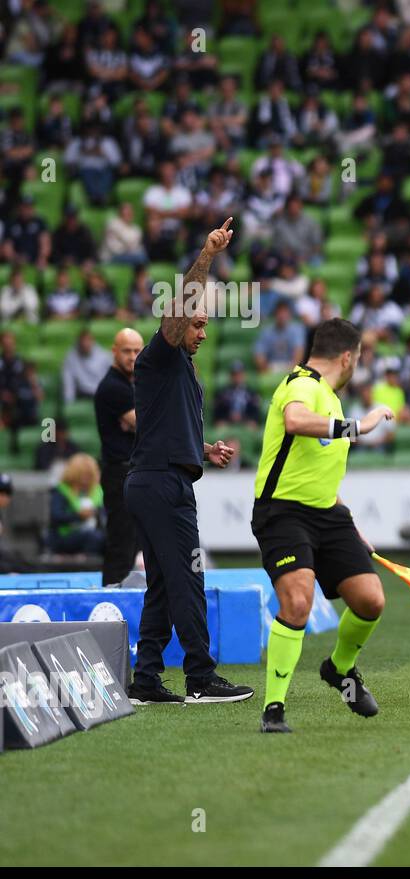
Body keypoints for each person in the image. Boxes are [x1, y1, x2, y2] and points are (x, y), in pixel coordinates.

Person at [124, 218, 253, 706]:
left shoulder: (179, 371)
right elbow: (178, 314)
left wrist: (201, 450)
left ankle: (146, 679)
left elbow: (163, 427)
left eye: (205, 325)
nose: (200, 331)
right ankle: (201, 676)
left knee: (161, 584)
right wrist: (207, 256)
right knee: (187, 578)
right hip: (160, 486)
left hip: (160, 477)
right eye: (196, 323)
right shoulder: (160, 355)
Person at [251, 319, 394, 734]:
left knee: (370, 601)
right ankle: (273, 710)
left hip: (328, 514)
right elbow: (295, 420)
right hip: (282, 514)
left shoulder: (330, 397)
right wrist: (359, 426)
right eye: (360, 357)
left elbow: (319, 476)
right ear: (348, 356)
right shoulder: (302, 383)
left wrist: (351, 525)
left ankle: (339, 669)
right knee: (298, 601)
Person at [94, 327, 143, 586]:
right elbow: (145, 424)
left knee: (133, 541)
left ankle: (120, 593)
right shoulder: (114, 387)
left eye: (137, 351)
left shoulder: (129, 384)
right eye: (127, 351)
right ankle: (111, 596)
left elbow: (139, 422)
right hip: (119, 472)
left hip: (130, 471)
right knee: (121, 541)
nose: (132, 357)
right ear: (114, 351)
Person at [47, 453, 105, 556]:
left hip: (93, 532)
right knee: (94, 538)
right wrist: (78, 516)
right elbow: (56, 516)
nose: (86, 480)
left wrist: (96, 513)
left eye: (89, 475)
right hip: (65, 537)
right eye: (83, 475)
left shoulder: (97, 491)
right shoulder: (62, 490)